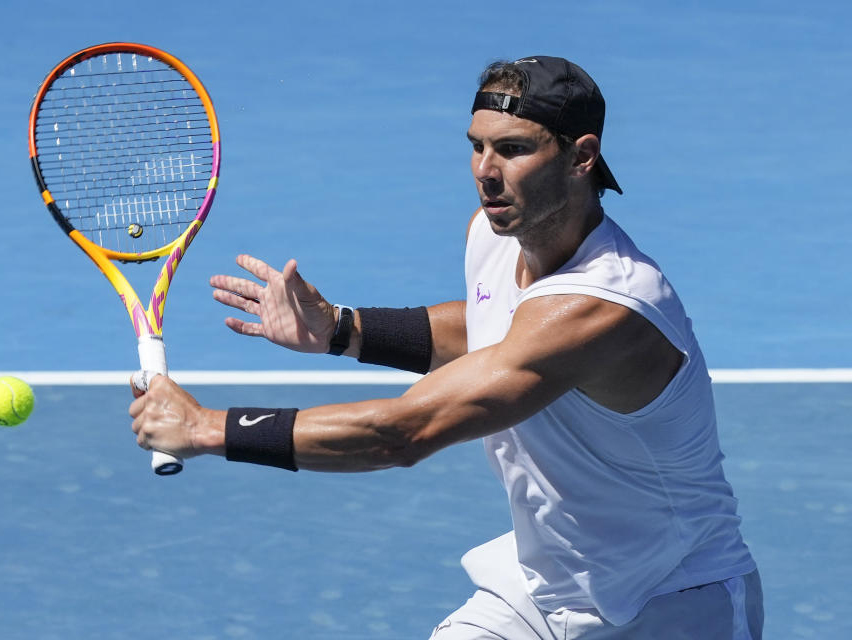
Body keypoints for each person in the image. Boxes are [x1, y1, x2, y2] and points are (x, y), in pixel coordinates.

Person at [129, 56, 763, 639]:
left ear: (581, 156)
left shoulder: (604, 305)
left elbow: (403, 433)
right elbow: (493, 327)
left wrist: (208, 428)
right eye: (477, 147)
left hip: (672, 602)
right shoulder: (494, 237)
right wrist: (343, 329)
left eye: (513, 150)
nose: (486, 172)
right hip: (540, 590)